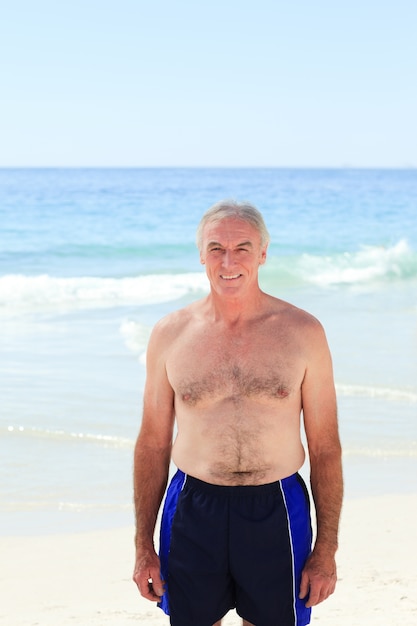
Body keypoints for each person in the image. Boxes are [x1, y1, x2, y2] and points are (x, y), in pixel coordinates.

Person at [133, 200, 343, 626]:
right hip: (194, 505)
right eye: (215, 249)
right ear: (200, 255)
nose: (228, 262)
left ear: (263, 253)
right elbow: (153, 441)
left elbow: (325, 448)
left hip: (276, 505)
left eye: (242, 248)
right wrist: (143, 546)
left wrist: (326, 551)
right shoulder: (170, 334)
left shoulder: (303, 332)